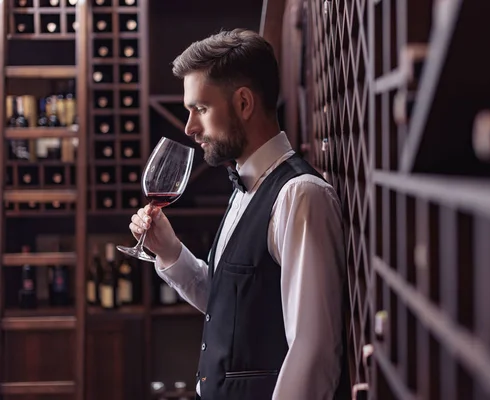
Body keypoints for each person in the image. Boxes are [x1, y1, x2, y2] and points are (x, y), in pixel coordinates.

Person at [128, 28, 349, 400]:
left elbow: (313, 355)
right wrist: (169, 252)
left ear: (244, 103)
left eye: (200, 108)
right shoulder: (244, 186)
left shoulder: (300, 196)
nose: (190, 128)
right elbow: (227, 303)